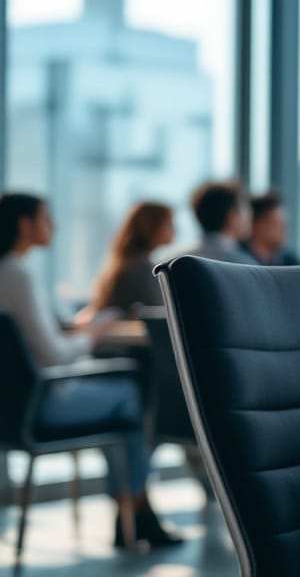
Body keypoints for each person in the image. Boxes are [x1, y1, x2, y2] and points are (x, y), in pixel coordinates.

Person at [0, 193, 181, 548]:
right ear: (25, 225)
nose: (54, 225)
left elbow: (48, 335)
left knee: (121, 400)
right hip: (40, 402)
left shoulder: (8, 273)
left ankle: (131, 512)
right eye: (46, 218)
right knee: (132, 396)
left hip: (12, 406)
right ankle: (136, 510)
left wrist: (86, 326)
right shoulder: (18, 274)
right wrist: (94, 333)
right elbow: (54, 354)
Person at [86, 201, 175, 317]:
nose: (174, 229)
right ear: (152, 226)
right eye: (169, 223)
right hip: (125, 333)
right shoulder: (140, 266)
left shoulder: (128, 261)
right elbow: (158, 311)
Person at [180, 181, 256, 264]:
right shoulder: (242, 263)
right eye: (246, 210)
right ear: (231, 216)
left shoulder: (175, 258)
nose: (250, 216)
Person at [241, 192, 300, 266]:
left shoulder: (291, 262)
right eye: (277, 224)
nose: (284, 229)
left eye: (284, 224)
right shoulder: (236, 258)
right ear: (257, 225)